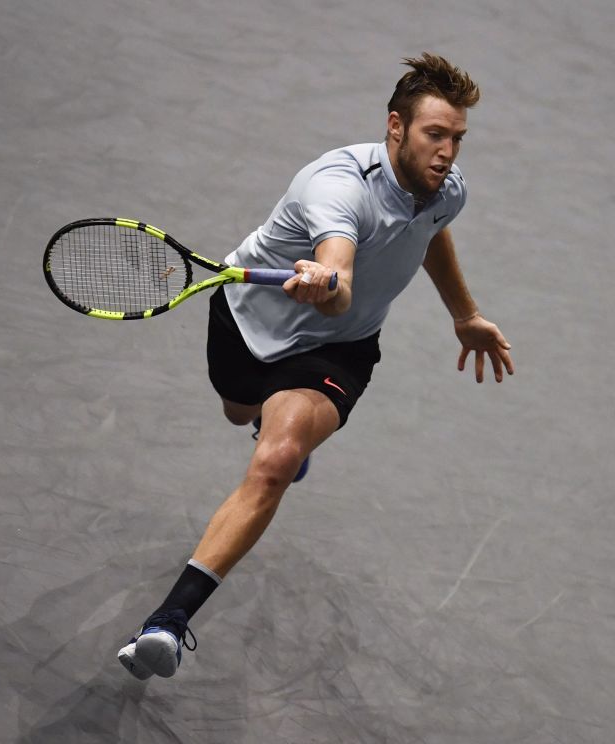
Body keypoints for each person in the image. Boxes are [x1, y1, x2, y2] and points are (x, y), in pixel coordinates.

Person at [116, 53, 513, 680]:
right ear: (395, 128)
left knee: (274, 462)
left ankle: (166, 623)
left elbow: (430, 230)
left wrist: (463, 313)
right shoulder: (338, 186)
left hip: (341, 346)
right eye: (435, 134)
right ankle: (262, 418)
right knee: (237, 410)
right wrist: (329, 278)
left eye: (457, 138)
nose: (448, 152)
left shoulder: (446, 190)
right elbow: (341, 265)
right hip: (247, 326)